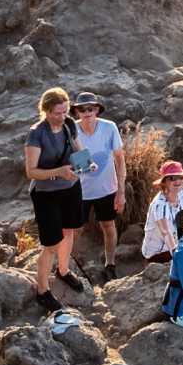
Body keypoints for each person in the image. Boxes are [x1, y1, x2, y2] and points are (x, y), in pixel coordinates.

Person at [23, 87, 87, 310]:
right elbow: (31, 172)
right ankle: (43, 291)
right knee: (51, 244)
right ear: (46, 111)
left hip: (70, 187)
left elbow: (77, 148)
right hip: (46, 194)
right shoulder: (36, 134)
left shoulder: (69, 124)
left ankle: (63, 270)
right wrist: (59, 172)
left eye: (65, 111)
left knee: (69, 231)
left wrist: (86, 164)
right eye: (57, 113)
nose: (62, 116)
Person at [70, 91, 126, 271]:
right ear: (76, 112)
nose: (87, 112)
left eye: (91, 108)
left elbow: (120, 159)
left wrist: (121, 192)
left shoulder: (109, 127)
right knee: (76, 229)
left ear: (97, 110)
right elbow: (76, 163)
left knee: (108, 225)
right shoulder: (71, 130)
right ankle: (71, 264)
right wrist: (84, 165)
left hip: (107, 189)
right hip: (80, 191)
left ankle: (110, 264)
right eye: (82, 109)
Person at [142, 161, 183, 263]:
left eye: (180, 177)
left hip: (178, 245)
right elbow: (166, 233)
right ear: (164, 182)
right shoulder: (159, 204)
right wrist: (179, 256)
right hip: (158, 254)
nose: (177, 181)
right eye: (172, 178)